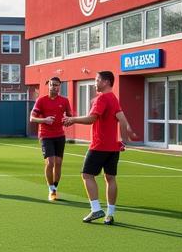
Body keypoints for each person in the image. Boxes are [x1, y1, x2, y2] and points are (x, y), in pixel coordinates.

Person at [65, 70, 137, 224]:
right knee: (110, 178)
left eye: (97, 79)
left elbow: (91, 119)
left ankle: (96, 209)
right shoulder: (113, 98)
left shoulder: (102, 98)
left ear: (105, 82)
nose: (95, 82)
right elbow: (123, 121)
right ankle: (110, 214)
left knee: (87, 175)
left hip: (99, 146)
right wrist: (124, 141)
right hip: (113, 148)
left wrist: (72, 119)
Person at [30, 75, 72, 201]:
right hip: (45, 135)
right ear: (48, 86)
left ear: (60, 87)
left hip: (59, 135)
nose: (54, 87)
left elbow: (70, 116)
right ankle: (51, 189)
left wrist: (67, 121)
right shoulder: (41, 100)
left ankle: (55, 187)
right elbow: (32, 118)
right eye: (52, 85)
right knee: (50, 162)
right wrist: (45, 120)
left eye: (56, 85)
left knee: (58, 163)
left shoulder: (64, 101)